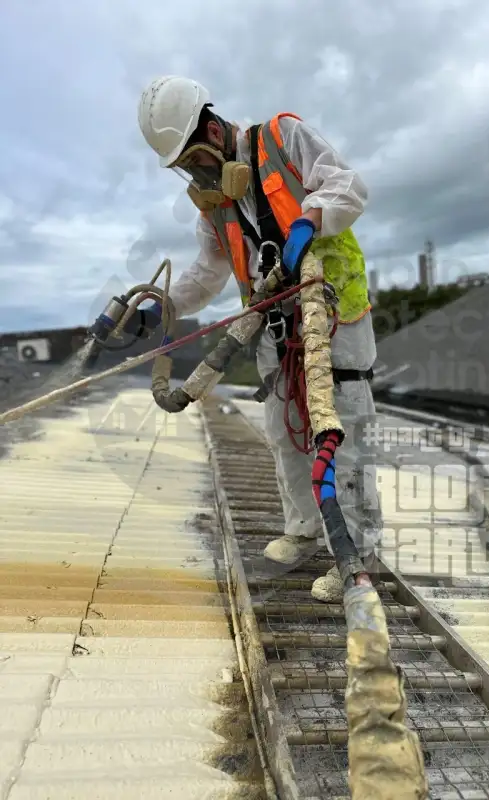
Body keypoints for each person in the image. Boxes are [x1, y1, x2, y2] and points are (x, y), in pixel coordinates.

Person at [136, 75, 382, 602]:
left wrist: (310, 219)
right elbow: (208, 272)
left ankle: (356, 552)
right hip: (274, 324)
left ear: (213, 128)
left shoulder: (282, 138)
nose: (196, 171)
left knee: (342, 428)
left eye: (195, 157)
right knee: (284, 429)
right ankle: (303, 529)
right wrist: (165, 305)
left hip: (334, 310)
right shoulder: (216, 205)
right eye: (184, 166)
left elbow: (347, 185)